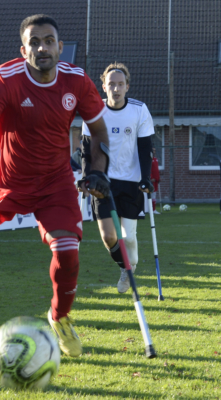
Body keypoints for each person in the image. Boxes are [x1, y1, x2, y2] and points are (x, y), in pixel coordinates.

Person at [0, 14, 110, 357]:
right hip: (15, 180)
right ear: (23, 50)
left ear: (60, 47)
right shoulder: (4, 79)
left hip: (56, 180)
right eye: (34, 43)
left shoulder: (77, 80)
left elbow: (99, 132)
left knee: (68, 251)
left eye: (48, 41)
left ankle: (59, 316)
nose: (42, 48)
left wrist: (97, 171)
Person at [81, 62, 154, 294]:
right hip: (103, 181)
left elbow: (145, 148)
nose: (116, 88)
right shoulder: (94, 112)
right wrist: (86, 177)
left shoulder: (139, 110)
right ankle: (125, 268)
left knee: (128, 237)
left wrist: (146, 178)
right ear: (103, 86)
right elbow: (86, 149)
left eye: (120, 84)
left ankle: (131, 265)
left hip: (131, 182)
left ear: (127, 87)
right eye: (111, 84)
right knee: (108, 235)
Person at [151, 147, 160, 214]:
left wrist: (158, 177)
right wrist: (151, 177)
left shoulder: (155, 159)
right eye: (153, 150)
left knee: (154, 195)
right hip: (152, 180)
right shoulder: (149, 159)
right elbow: (149, 169)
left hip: (156, 180)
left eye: (155, 150)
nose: (154, 152)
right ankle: (151, 209)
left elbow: (156, 169)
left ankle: (153, 209)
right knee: (152, 195)